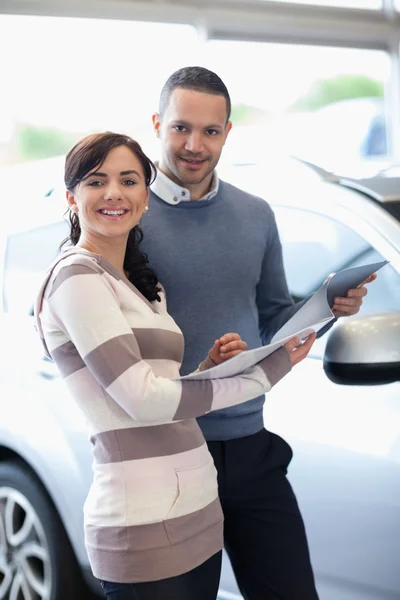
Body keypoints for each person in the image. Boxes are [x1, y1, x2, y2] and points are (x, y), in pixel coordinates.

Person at [34, 132, 316, 600]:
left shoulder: (142, 285)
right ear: (71, 197)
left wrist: (209, 366)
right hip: (142, 522)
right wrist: (264, 373)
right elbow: (143, 401)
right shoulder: (75, 277)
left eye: (129, 180)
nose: (114, 193)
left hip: (196, 511)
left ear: (145, 198)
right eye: (96, 181)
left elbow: (164, 388)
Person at [139, 66, 377, 600]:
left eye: (210, 131)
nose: (194, 144)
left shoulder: (255, 214)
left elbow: (272, 317)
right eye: (180, 128)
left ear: (227, 132)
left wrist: (328, 308)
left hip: (251, 448)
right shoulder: (127, 214)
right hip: (170, 454)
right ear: (156, 124)